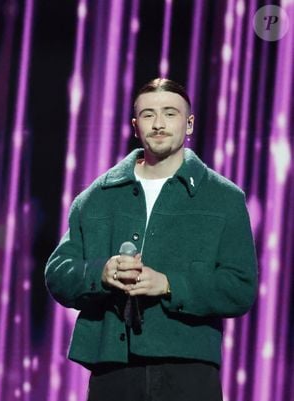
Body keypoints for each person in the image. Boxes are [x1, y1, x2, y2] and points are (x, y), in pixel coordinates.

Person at [45, 78, 258, 401]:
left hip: (188, 367)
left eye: (169, 114)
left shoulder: (224, 198)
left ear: (189, 124)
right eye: (148, 115)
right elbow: (58, 274)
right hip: (114, 369)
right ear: (135, 126)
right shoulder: (97, 196)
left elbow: (240, 287)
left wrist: (170, 284)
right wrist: (101, 273)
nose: (158, 124)